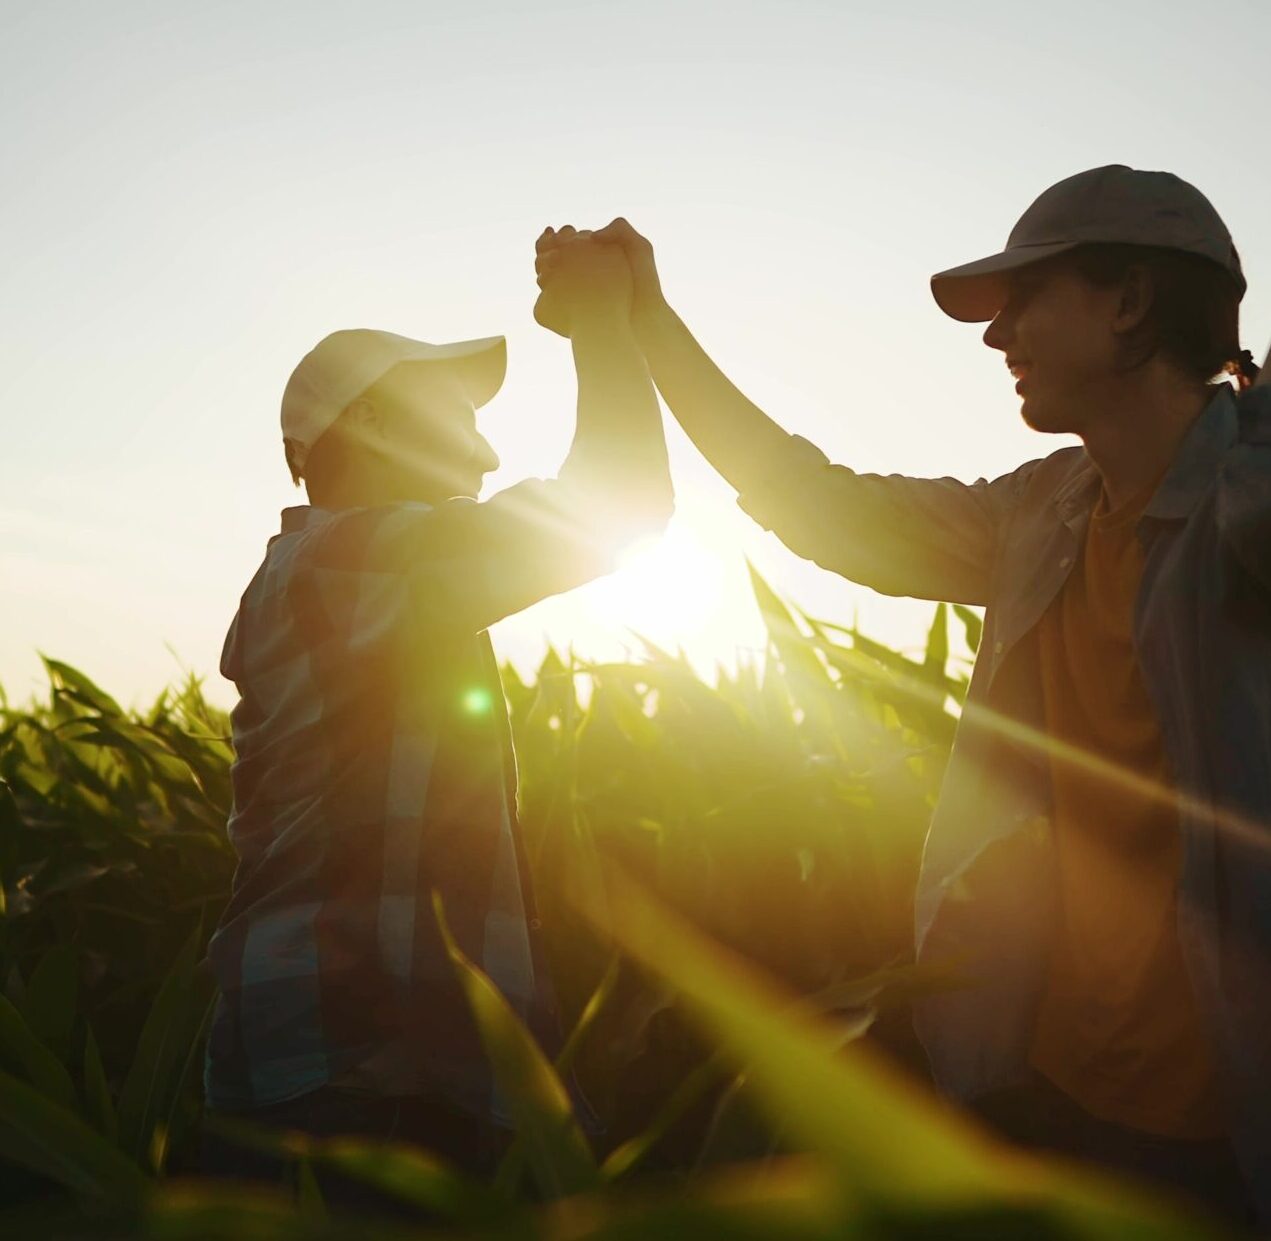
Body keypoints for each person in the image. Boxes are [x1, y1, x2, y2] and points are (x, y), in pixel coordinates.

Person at [536, 167, 1270, 1227]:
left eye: (1026, 299)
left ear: (1129, 301)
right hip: (1045, 1079)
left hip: (1225, 1121)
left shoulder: (1249, 499)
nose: (995, 336)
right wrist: (649, 322)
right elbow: (816, 501)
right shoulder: (1039, 516)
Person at [201, 232, 672, 1204]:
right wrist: (597, 317)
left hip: (355, 1053)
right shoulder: (351, 560)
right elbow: (620, 499)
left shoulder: (346, 573)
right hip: (357, 1061)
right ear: (368, 416)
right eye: (456, 413)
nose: (488, 447)